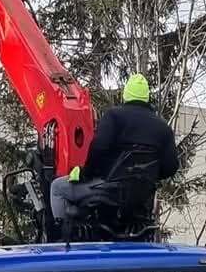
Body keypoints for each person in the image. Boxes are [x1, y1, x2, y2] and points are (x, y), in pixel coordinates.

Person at [49, 73, 179, 229]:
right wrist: (146, 178)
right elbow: (171, 166)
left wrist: (85, 174)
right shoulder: (163, 128)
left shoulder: (114, 117)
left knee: (57, 187)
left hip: (108, 190)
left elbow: (98, 149)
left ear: (126, 94)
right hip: (141, 197)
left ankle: (64, 239)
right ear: (146, 97)